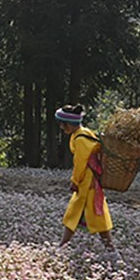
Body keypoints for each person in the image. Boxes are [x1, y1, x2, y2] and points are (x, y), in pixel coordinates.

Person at [56, 105, 114, 249]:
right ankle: (63, 245)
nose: (61, 128)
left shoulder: (80, 139)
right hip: (90, 179)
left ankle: (111, 249)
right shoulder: (85, 133)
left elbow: (80, 163)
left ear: (69, 124)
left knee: (95, 213)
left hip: (88, 181)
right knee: (78, 212)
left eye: (62, 124)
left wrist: (75, 181)